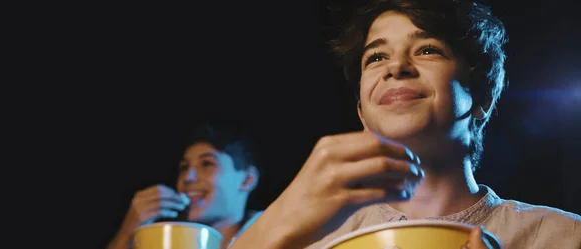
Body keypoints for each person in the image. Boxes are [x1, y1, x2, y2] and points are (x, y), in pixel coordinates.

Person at [229, 1, 581, 249]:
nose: (395, 67)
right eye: (376, 57)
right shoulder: (313, 239)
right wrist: (272, 227)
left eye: (427, 49)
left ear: (481, 99)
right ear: (362, 113)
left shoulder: (564, 236)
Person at [107, 120, 263, 249]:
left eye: (207, 164)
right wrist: (125, 234)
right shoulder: (163, 240)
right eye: (184, 167)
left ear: (247, 180)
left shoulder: (273, 231)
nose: (188, 177)